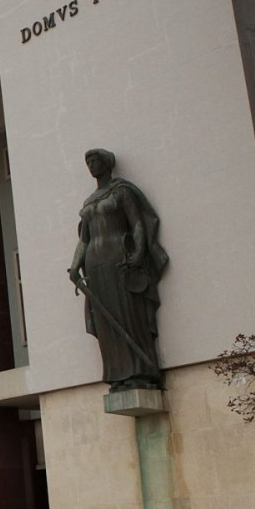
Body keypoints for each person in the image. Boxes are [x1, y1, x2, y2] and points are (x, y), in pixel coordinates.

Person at [67, 148, 168, 391]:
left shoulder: (122, 190)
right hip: (95, 263)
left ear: (107, 164)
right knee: (106, 321)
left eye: (95, 160)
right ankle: (118, 374)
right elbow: (84, 240)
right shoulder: (89, 202)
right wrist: (75, 266)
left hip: (119, 258)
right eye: (88, 162)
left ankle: (141, 371)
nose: (91, 165)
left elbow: (137, 224)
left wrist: (138, 253)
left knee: (128, 314)